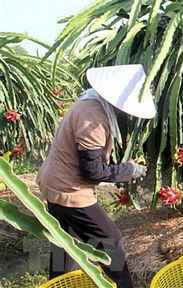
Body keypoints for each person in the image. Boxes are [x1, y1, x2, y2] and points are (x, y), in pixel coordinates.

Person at [36, 64, 157, 288]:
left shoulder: (91, 103)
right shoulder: (93, 116)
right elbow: (91, 171)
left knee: (65, 240)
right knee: (111, 241)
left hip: (54, 181)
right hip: (67, 188)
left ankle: (57, 283)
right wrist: (127, 170)